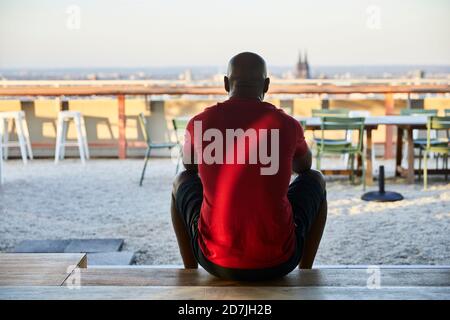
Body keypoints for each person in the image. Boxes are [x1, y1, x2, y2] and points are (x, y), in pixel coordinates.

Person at [171, 52, 327, 281]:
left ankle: (190, 271)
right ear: (266, 85)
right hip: (280, 262)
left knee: (181, 181)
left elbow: (189, 166)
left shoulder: (199, 123)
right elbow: (305, 167)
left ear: (226, 83)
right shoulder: (287, 124)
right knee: (316, 179)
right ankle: (305, 272)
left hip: (214, 262)